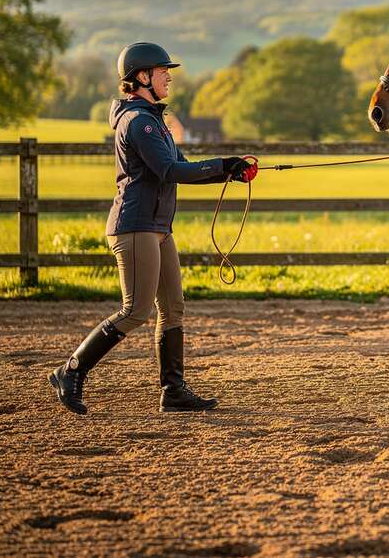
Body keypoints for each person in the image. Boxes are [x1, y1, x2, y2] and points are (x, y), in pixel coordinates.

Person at [48, 42, 251, 415]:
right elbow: (169, 171)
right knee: (136, 311)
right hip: (135, 226)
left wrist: (229, 170)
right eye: (162, 71)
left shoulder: (153, 120)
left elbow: (183, 165)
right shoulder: (138, 122)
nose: (169, 77)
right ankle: (71, 370)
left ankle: (173, 391)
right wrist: (223, 164)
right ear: (142, 77)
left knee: (172, 307)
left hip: (157, 227)